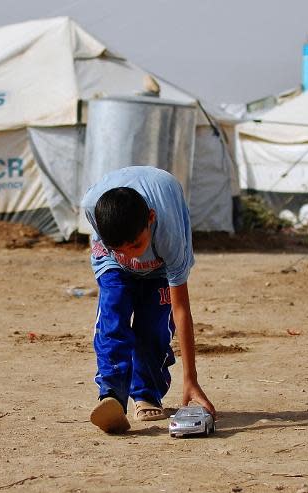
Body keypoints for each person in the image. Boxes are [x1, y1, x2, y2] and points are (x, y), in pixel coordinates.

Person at [81, 165, 216, 434]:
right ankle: (111, 397)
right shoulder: (91, 207)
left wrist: (191, 380)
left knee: (153, 327)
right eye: (123, 249)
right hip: (111, 262)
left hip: (159, 267)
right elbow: (121, 247)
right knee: (112, 316)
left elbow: (180, 310)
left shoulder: (170, 237)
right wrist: (120, 252)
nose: (131, 257)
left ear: (151, 219)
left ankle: (146, 394)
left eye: (135, 246)